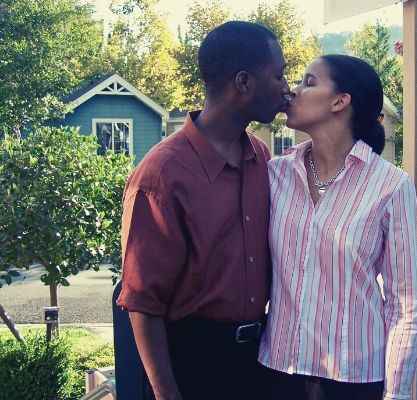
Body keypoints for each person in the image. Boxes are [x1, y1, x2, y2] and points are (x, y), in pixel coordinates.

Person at [116, 21, 290, 400]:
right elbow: (142, 302)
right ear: (243, 82)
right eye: (278, 75)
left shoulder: (259, 156)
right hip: (193, 363)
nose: (286, 88)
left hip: (258, 359)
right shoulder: (161, 175)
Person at [259, 55, 417, 400]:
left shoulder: (390, 186)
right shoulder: (275, 175)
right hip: (279, 372)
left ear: (340, 101)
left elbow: (403, 306)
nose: (292, 91)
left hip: (355, 380)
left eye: (309, 81)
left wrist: (397, 394)